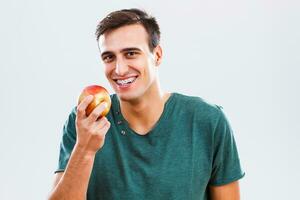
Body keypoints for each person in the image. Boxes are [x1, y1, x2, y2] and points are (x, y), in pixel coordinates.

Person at [48, 8, 245, 200]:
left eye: (131, 53)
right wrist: (85, 149)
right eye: (109, 57)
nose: (120, 69)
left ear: (157, 55)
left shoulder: (207, 120)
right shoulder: (84, 121)